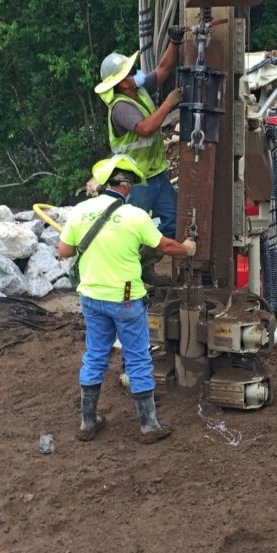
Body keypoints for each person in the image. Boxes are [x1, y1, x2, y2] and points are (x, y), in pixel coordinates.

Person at [58, 154, 196, 444]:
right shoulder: (135, 215)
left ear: (107, 182)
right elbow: (164, 245)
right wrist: (188, 249)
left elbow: (64, 251)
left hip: (92, 298)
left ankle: (87, 423)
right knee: (137, 359)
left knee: (95, 355)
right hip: (126, 300)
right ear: (126, 186)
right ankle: (148, 426)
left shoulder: (81, 211)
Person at [94, 27, 184, 239]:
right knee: (132, 231)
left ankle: (149, 262)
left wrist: (174, 42)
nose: (136, 73)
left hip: (156, 174)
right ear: (123, 82)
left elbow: (163, 69)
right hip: (136, 180)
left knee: (173, 222)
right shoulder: (120, 107)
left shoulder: (138, 89)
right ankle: (135, 266)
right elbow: (144, 128)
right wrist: (168, 104)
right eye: (131, 71)